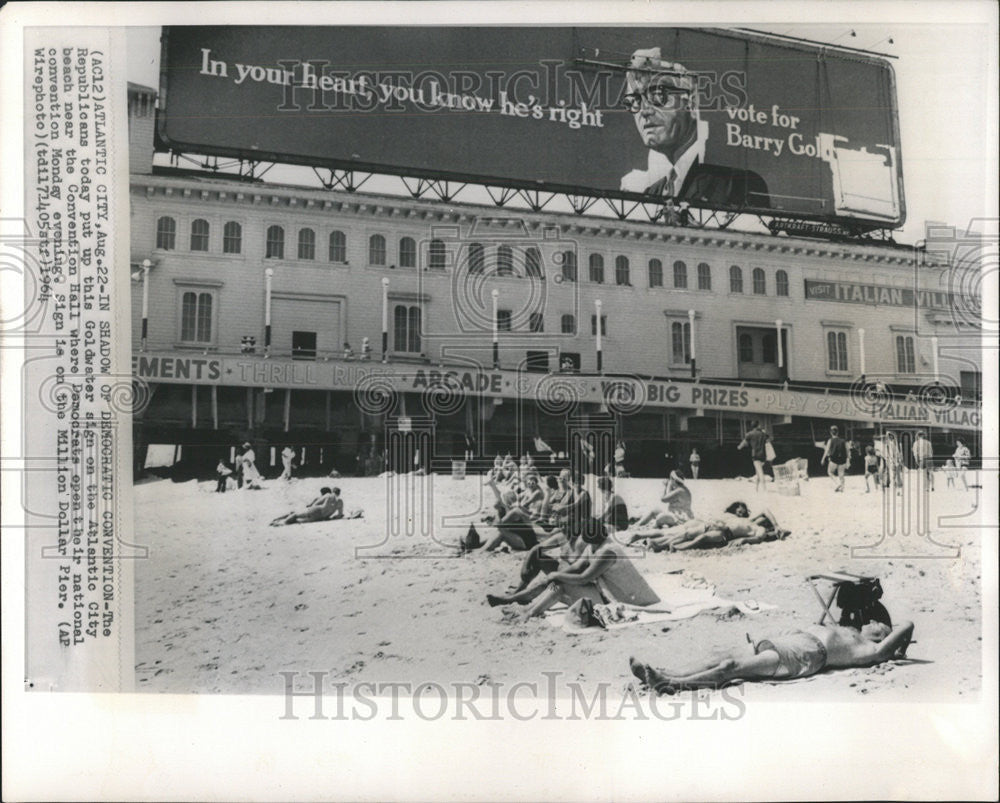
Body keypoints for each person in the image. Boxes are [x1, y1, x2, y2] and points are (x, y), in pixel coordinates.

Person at [619, 48, 770, 209]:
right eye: (635, 99)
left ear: (691, 101)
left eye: (657, 95)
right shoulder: (652, 192)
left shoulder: (738, 185)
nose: (644, 110)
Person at [629, 620, 915, 693]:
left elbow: (907, 625)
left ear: (882, 634)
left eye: (879, 624)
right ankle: (668, 672)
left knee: (731, 667)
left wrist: (897, 646)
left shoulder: (870, 649)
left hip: (807, 654)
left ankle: (669, 683)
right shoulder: (854, 632)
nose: (873, 621)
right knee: (721, 655)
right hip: (794, 640)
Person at [520, 524, 661, 619]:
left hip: (625, 598)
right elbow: (577, 567)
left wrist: (556, 575)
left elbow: (584, 578)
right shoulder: (595, 546)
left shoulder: (607, 551)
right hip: (608, 591)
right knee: (557, 584)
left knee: (562, 586)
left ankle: (532, 612)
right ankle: (532, 608)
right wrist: (554, 577)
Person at [270, 487, 344, 526]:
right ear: (339, 493)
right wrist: (331, 516)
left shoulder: (328, 495)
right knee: (297, 520)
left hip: (317, 510)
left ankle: (282, 522)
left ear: (332, 491)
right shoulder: (340, 502)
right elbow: (339, 515)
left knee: (295, 514)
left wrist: (310, 507)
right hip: (322, 517)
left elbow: (316, 503)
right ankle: (280, 522)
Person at [737, 421, 771, 493]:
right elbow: (769, 440)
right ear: (758, 425)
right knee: (758, 472)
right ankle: (756, 489)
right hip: (763, 456)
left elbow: (744, 443)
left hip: (755, 456)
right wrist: (764, 432)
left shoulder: (749, 434)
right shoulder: (763, 434)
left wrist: (739, 447)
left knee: (760, 472)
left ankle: (764, 489)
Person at [821, 425, 848, 493]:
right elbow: (847, 451)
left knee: (830, 472)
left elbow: (826, 450)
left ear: (831, 432)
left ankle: (837, 484)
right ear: (838, 432)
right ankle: (842, 488)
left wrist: (823, 459)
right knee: (841, 475)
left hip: (833, 460)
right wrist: (848, 460)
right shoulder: (843, 441)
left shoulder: (830, 440)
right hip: (842, 460)